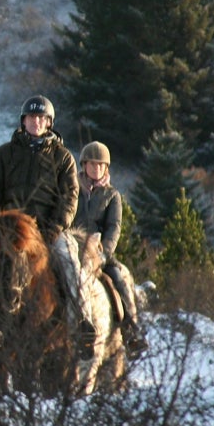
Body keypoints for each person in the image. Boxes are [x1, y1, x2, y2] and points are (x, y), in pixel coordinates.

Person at [74, 140, 145, 348]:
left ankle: (132, 331)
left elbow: (114, 228)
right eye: (92, 164)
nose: (96, 169)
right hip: (73, 249)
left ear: (106, 168)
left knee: (119, 278)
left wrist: (104, 253)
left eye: (101, 165)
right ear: (84, 165)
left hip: (99, 253)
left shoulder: (112, 196)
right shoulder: (71, 189)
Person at [0, 95, 78, 244]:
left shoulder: (63, 157)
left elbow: (69, 197)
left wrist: (54, 228)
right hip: (8, 229)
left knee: (68, 259)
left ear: (49, 122)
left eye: (41, 117)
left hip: (47, 231)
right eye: (32, 117)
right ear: (24, 120)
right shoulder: (4, 153)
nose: (36, 121)